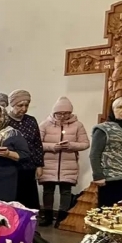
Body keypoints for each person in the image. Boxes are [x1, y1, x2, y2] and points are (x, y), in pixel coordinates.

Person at [39, 96, 90, 226]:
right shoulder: (45, 124)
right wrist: (52, 147)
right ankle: (47, 217)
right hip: (48, 164)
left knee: (66, 192)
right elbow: (36, 144)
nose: (62, 116)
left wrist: (71, 146)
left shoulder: (78, 125)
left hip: (69, 165)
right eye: (59, 113)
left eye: (66, 113)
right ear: (54, 112)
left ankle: (62, 218)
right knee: (48, 191)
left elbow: (85, 144)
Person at [7, 89, 45, 211]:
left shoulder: (31, 120)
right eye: (20, 105)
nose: (23, 109)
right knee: (13, 201)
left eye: (26, 105)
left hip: (28, 166)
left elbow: (37, 143)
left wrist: (39, 165)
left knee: (29, 201)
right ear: (12, 104)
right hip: (10, 167)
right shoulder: (5, 121)